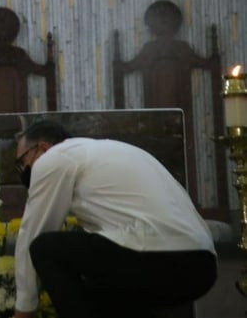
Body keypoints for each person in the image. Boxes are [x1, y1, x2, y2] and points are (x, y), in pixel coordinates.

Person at [12, 119, 217, 318]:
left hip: (158, 255)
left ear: (43, 148)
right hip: (201, 266)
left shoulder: (55, 157)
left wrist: (24, 310)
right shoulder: (114, 151)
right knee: (100, 294)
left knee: (45, 248)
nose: (23, 171)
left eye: (22, 162)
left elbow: (32, 233)